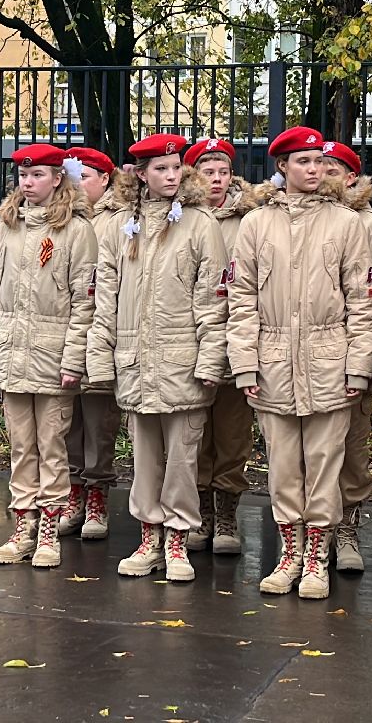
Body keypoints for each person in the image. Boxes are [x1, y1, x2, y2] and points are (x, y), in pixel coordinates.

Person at [228, 125, 372, 600]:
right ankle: (289, 553)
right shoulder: (256, 224)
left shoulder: (345, 222)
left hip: (329, 357)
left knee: (324, 463)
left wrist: (359, 365)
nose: (313, 170)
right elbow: (241, 298)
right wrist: (245, 363)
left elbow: (363, 299)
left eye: (319, 162)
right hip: (273, 359)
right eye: (303, 162)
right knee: (284, 466)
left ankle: (316, 556)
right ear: (282, 167)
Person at [88, 134, 226, 582]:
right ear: (141, 174)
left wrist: (210, 361)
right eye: (160, 169)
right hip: (134, 360)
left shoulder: (201, 223)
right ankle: (148, 536)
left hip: (182, 359)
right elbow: (103, 297)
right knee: (144, 456)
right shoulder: (115, 226)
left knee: (183, 458)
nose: (169, 177)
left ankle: (178, 539)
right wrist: (100, 358)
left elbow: (213, 299)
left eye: (175, 169)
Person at [0, 143, 97, 568]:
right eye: (23, 176)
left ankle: (49, 532)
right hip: (11, 351)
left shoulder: (76, 230)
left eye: (38, 175)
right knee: (21, 447)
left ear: (58, 178)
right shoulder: (7, 227)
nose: (28, 183)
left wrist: (74, 359)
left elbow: (85, 302)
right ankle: (23, 527)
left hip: (52, 353)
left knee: (52, 447)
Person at [318, 141, 372, 574]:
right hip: (306, 354)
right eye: (318, 166)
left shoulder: (370, 224)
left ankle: (346, 527)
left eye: (334, 169)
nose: (324, 175)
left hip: (352, 354)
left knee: (351, 449)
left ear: (352, 178)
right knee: (310, 449)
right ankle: (314, 530)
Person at [188, 137, 256, 554]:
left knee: (232, 434)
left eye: (223, 172)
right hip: (191, 340)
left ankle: (227, 513)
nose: (216, 180)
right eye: (207, 172)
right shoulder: (183, 216)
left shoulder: (249, 218)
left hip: (234, 337)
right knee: (195, 432)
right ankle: (200, 513)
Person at [64, 144, 123, 541]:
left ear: (105, 179)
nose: (76, 184)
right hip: (67, 331)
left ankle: (97, 493)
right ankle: (73, 492)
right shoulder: (61, 216)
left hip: (102, 332)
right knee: (68, 422)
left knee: (100, 421)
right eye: (72, 177)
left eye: (84, 176)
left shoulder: (120, 219)